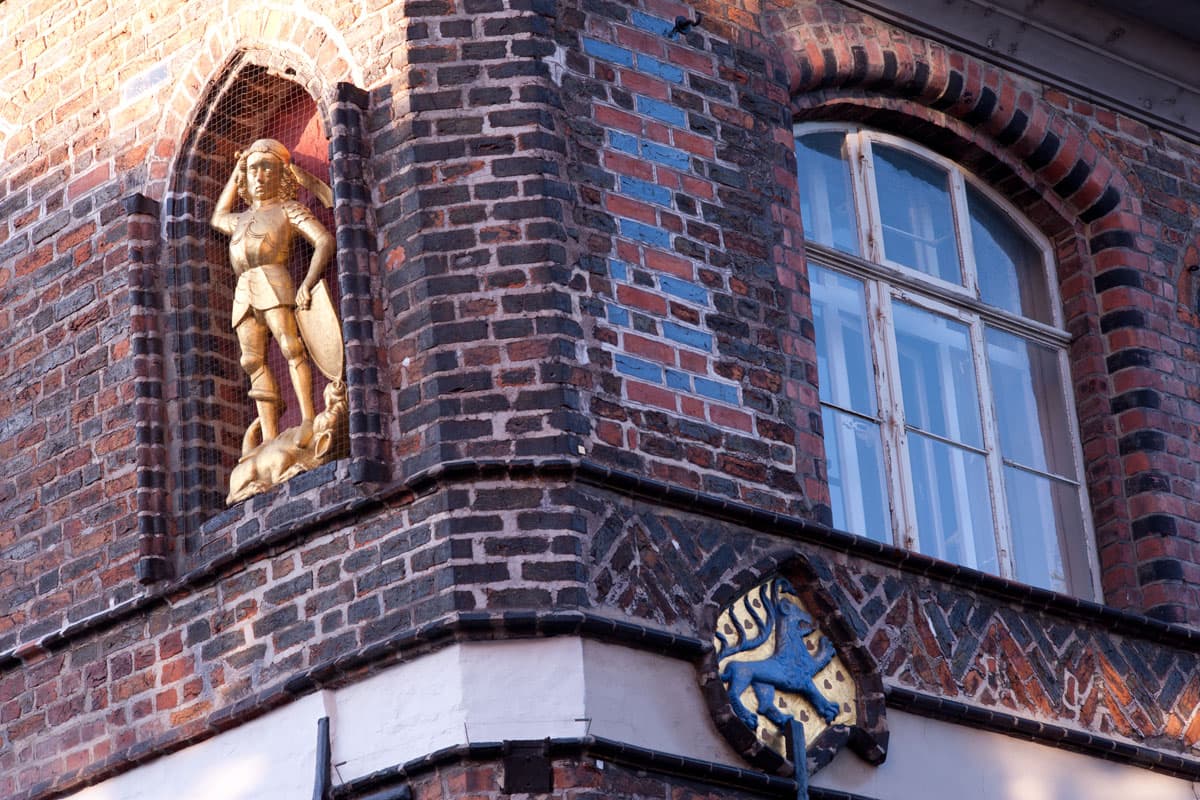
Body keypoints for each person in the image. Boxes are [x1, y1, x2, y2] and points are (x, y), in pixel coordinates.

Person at [210, 138, 334, 449]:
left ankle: (307, 418)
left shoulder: (289, 209)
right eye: (253, 170)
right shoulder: (240, 220)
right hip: (244, 290)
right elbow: (217, 217)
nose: (260, 177)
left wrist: (306, 282)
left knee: (291, 348)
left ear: (281, 174)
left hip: (275, 282)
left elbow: (324, 241)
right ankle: (268, 437)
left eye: (267, 168)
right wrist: (237, 170)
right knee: (252, 361)